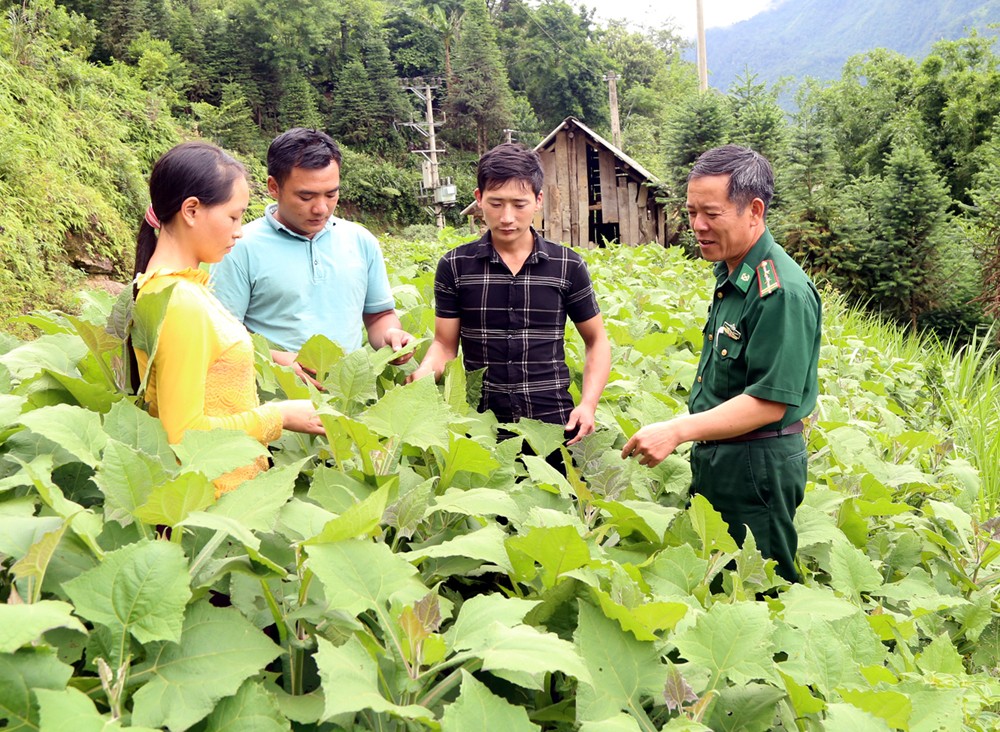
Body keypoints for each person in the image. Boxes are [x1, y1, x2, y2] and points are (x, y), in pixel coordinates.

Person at [621, 145, 821, 583]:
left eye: (710, 213)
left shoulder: (779, 292)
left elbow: (769, 402)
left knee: (759, 588)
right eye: (691, 212)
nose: (697, 226)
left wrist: (676, 430)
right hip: (722, 455)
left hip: (756, 466)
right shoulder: (734, 273)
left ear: (754, 210)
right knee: (718, 580)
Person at [131, 141, 325, 496]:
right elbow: (184, 434)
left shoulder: (169, 288)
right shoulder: (182, 301)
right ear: (191, 210)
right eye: (233, 216)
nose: (239, 230)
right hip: (213, 501)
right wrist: (279, 416)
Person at [409, 143, 611, 447]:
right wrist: (422, 378)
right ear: (478, 200)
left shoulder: (567, 265)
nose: (507, 217)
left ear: (538, 200)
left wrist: (588, 404)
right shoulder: (455, 266)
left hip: (554, 425)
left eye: (519, 204)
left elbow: (596, 341)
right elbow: (444, 344)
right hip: (480, 425)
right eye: (496, 203)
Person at [211, 128, 413, 384]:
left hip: (346, 401)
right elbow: (221, 336)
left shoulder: (360, 241)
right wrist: (275, 359)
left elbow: (378, 316)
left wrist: (391, 336)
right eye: (305, 196)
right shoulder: (239, 246)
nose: (321, 208)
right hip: (274, 407)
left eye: (331, 194)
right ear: (274, 187)